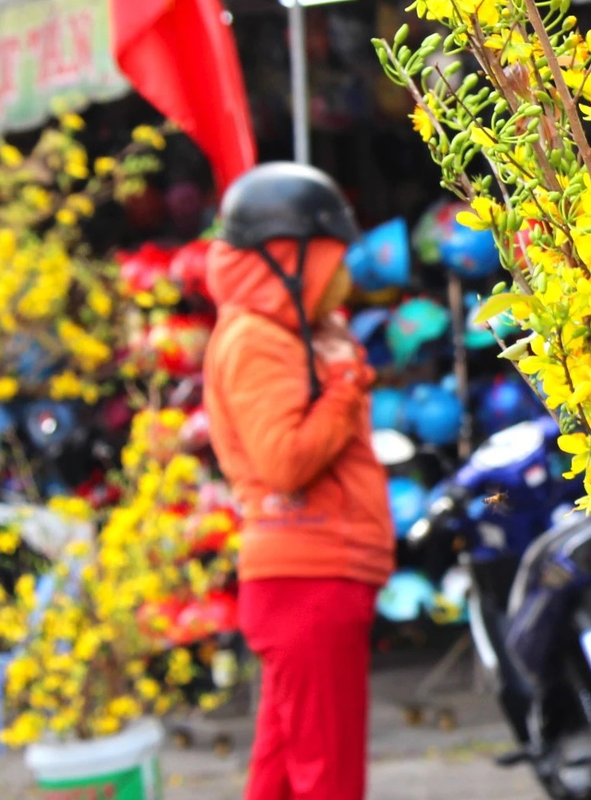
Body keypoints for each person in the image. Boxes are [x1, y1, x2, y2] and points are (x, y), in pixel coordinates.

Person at [204, 164, 391, 800]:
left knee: (282, 776)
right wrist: (344, 383)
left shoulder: (281, 332)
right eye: (329, 261)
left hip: (305, 577)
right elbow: (284, 459)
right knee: (327, 779)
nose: (341, 280)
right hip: (308, 578)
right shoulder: (258, 340)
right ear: (290, 258)